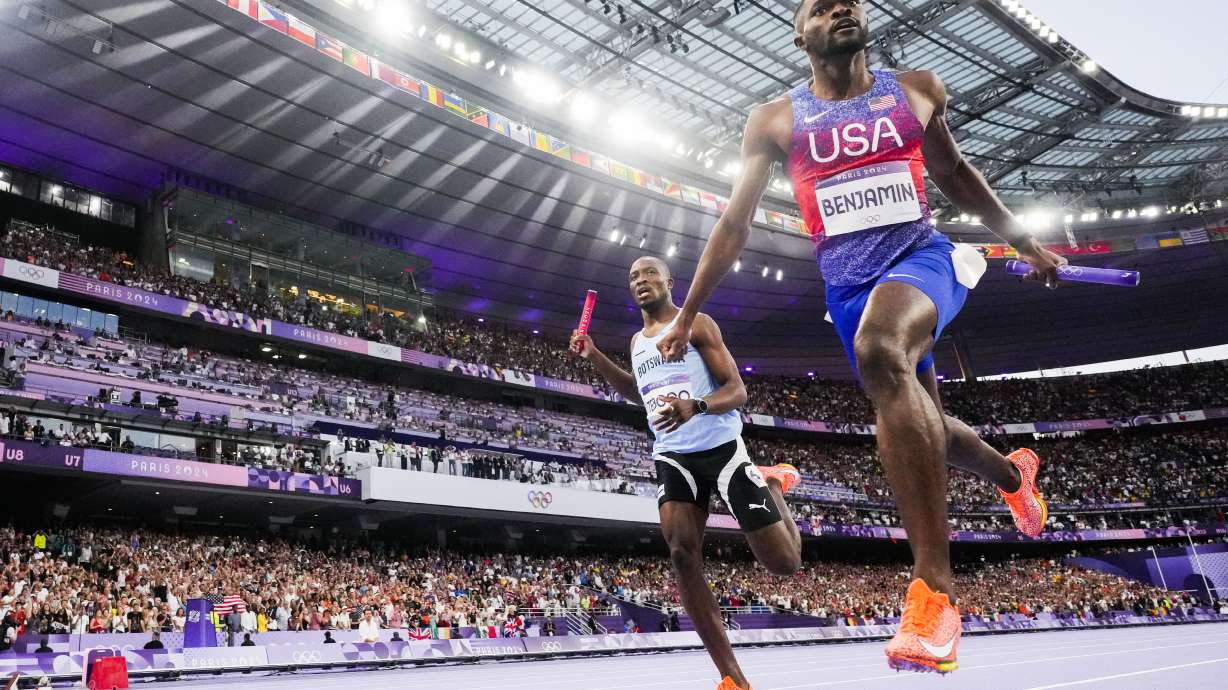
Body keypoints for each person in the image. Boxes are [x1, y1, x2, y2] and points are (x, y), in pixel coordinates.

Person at [654, 0, 1055, 677]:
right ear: (799, 32)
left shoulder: (918, 90)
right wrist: (686, 313)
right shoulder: (776, 119)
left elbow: (954, 175)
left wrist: (1023, 241)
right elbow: (734, 223)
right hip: (849, 290)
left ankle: (934, 596)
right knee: (924, 423)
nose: (841, 6)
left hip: (922, 260)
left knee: (880, 351)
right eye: (820, 3)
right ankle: (1015, 475)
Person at [571, 256, 803, 690]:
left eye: (649, 274)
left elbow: (738, 391)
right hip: (673, 454)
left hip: (721, 448)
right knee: (681, 553)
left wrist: (694, 406)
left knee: (784, 563)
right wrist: (596, 355)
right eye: (634, 276)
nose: (641, 280)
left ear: (669, 282)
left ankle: (772, 483)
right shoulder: (638, 342)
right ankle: (732, 678)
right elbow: (639, 394)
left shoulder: (697, 325)